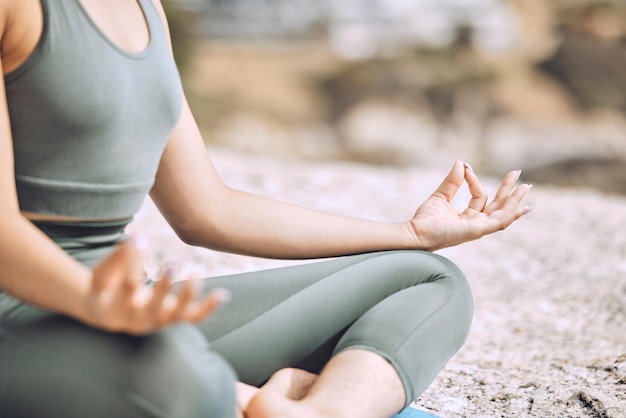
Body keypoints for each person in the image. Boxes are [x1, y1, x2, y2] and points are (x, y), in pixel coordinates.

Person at [0, 0, 532, 417]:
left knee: (430, 282)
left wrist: (410, 234)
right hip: (24, 316)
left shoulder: (146, 10)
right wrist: (95, 303)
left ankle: (317, 410)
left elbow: (209, 210)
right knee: (190, 390)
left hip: (131, 310)